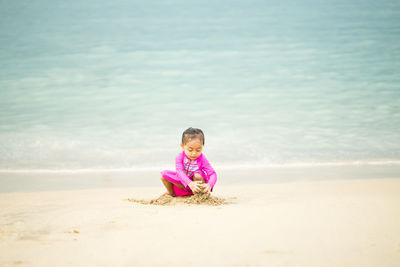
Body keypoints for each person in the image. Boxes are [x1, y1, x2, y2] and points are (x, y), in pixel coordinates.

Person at [160, 127, 217, 197]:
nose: (194, 153)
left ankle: (200, 195)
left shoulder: (202, 158)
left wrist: (209, 184)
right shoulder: (179, 157)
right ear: (182, 146)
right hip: (185, 184)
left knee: (197, 175)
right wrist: (189, 183)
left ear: (202, 146)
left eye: (198, 150)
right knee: (163, 175)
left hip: (198, 184)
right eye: (190, 150)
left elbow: (212, 173)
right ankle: (171, 193)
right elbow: (179, 172)